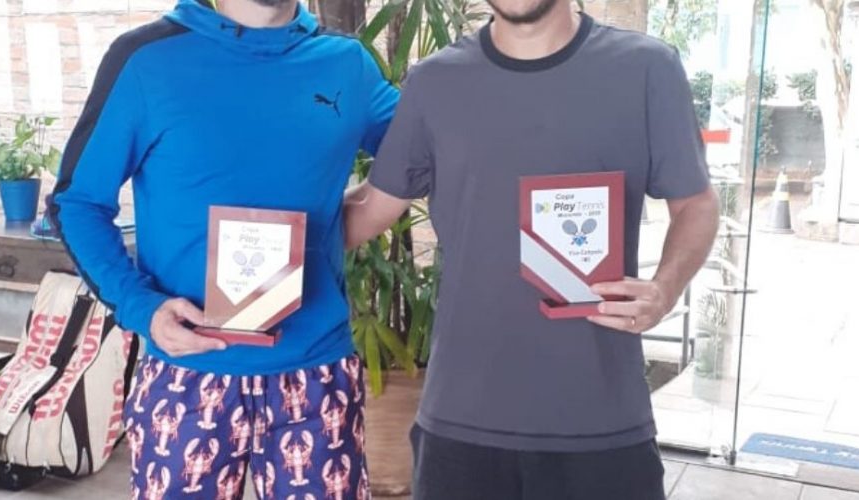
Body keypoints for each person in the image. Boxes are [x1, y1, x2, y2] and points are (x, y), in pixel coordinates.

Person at [343, 0, 720, 498]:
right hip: (461, 423)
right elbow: (370, 208)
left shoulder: (647, 68)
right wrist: (261, 239)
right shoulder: (434, 82)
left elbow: (696, 203)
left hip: (601, 421)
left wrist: (665, 289)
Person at [50, 0, 398, 497]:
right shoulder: (147, 60)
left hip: (316, 372)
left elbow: (425, 152)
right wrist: (140, 306)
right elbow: (77, 203)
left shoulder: (346, 64)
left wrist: (334, 232)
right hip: (187, 374)